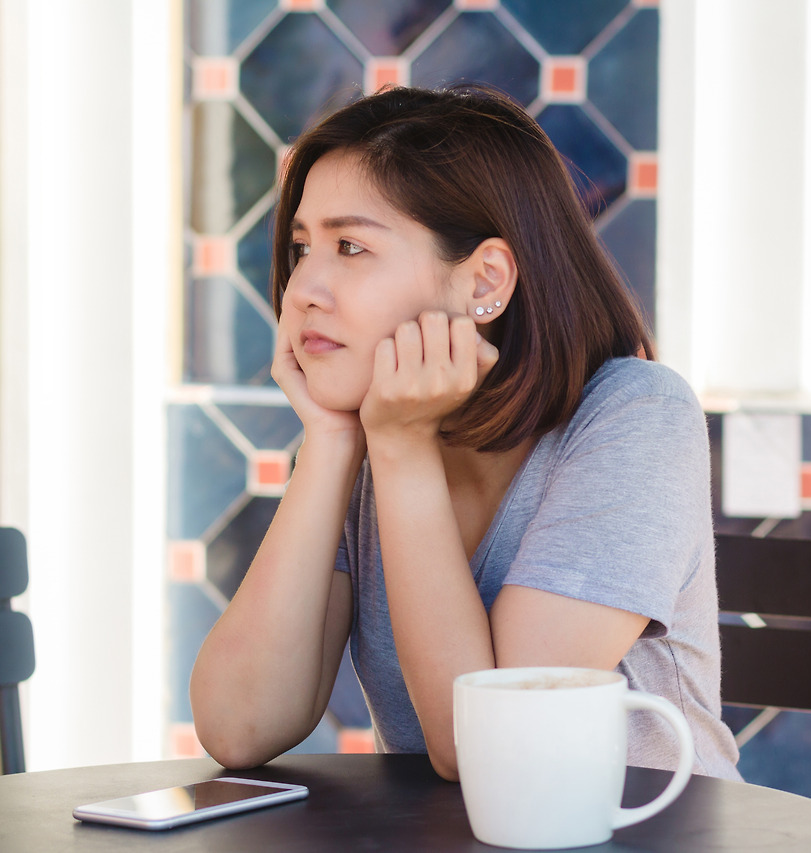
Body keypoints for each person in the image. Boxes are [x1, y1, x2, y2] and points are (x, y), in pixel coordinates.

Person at [189, 84, 741, 782]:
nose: (302, 289)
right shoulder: (367, 438)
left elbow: (488, 751)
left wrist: (401, 449)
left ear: (484, 279)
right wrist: (330, 442)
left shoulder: (637, 416)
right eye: (303, 247)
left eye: (351, 246)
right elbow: (240, 727)